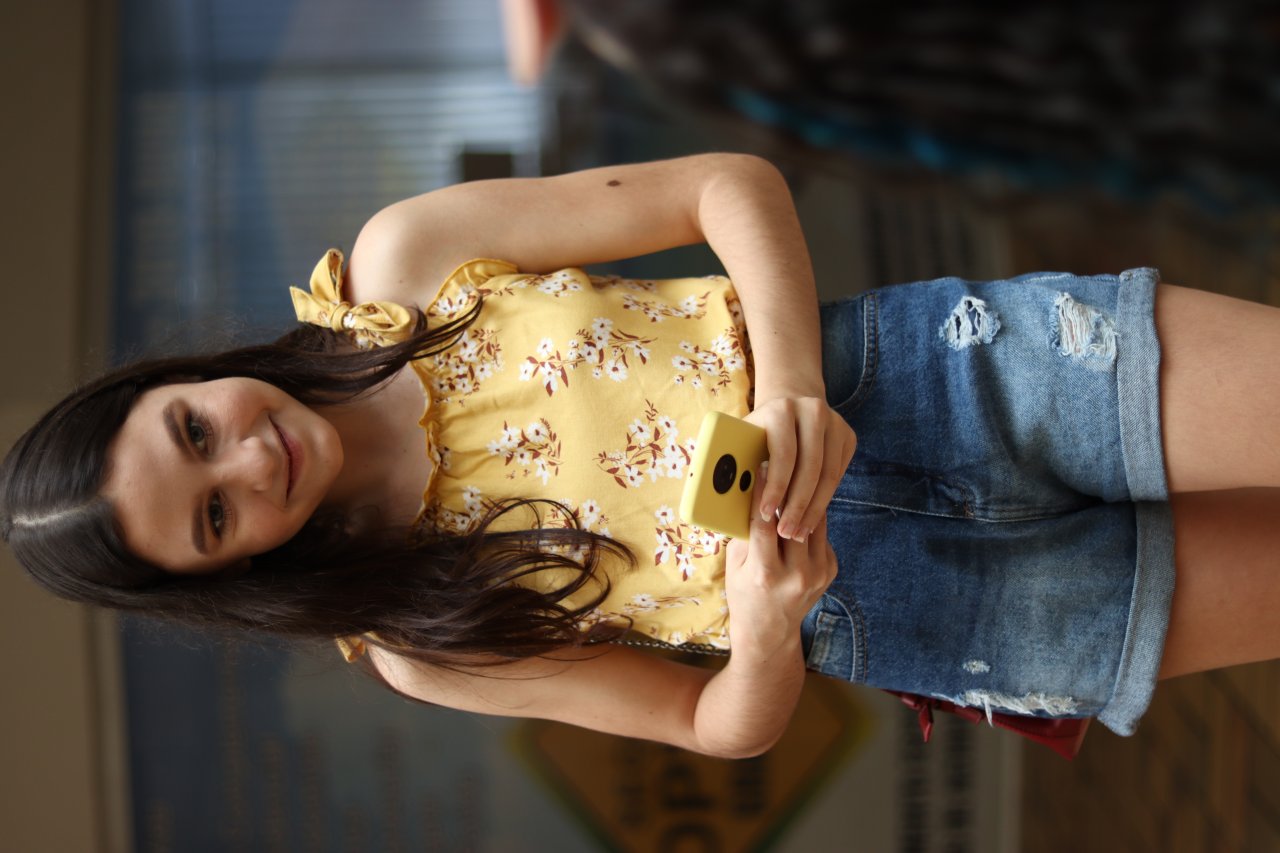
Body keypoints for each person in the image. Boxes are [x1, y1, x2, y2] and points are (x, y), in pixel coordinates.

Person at [3, 153, 1279, 758]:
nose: (247, 462)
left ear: (177, 381)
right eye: (213, 517)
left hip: (955, 377)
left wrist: (789, 384)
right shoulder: (420, 642)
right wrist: (765, 628)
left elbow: (724, 187)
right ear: (228, 574)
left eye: (191, 428)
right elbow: (710, 723)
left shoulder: (405, 264)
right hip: (943, 608)